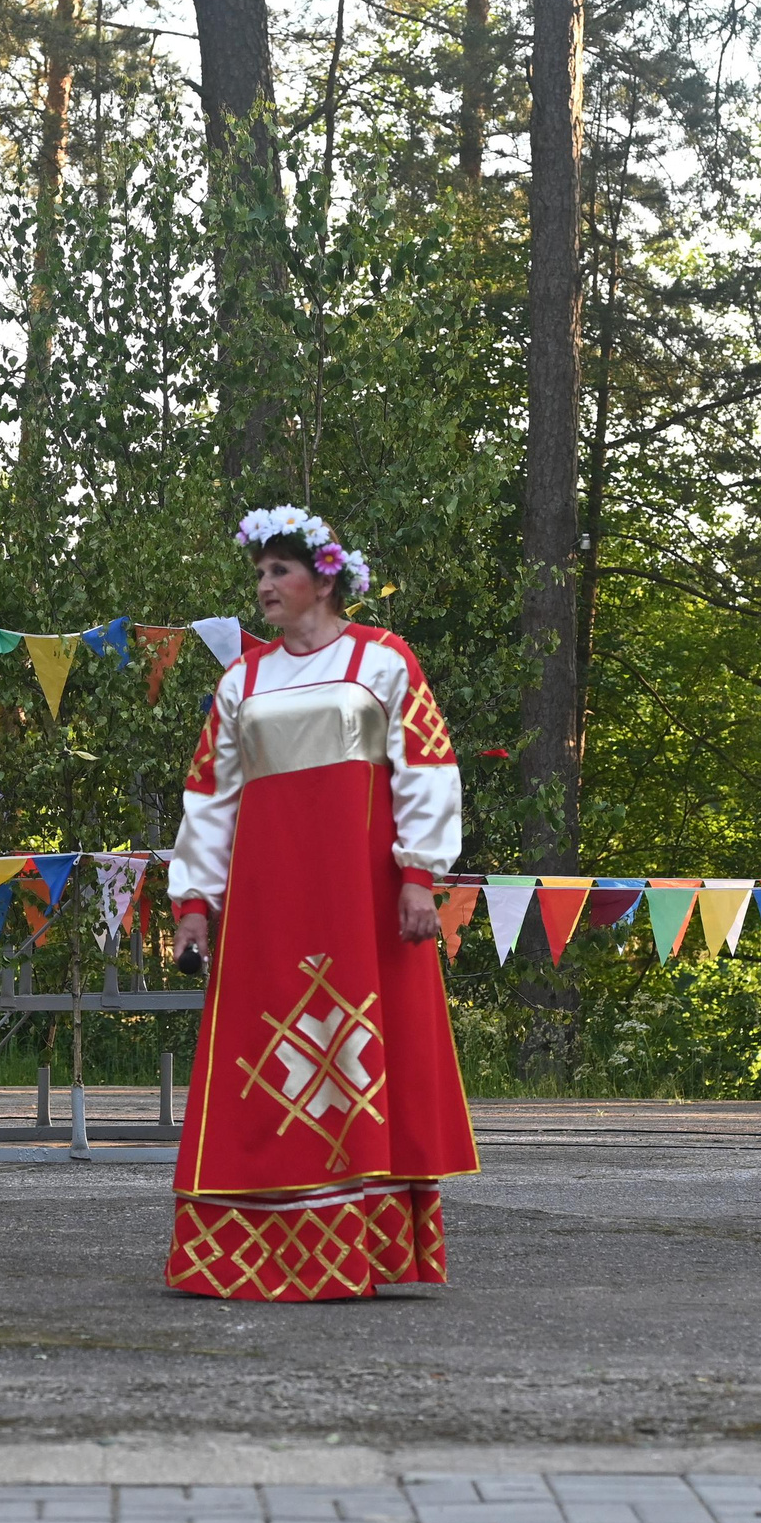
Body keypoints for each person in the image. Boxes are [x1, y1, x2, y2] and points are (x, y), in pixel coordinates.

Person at [164, 507, 478, 1300]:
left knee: (362, 1051)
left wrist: (418, 877)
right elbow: (209, 798)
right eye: (260, 572)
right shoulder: (242, 680)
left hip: (360, 895)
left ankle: (361, 1244)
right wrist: (194, 901)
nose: (264, 586)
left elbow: (428, 769)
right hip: (268, 903)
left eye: (280, 571)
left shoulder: (383, 660)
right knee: (265, 1059)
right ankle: (255, 1242)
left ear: (325, 577)